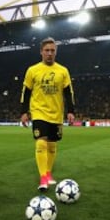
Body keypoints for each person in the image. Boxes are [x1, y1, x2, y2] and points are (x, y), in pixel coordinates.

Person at [20, 37, 75, 192]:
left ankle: (48, 173)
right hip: (38, 111)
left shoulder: (63, 71)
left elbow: (68, 92)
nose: (50, 53)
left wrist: (71, 111)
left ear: (55, 52)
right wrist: (24, 111)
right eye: (47, 50)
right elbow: (26, 92)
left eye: (52, 50)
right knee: (41, 142)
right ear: (41, 52)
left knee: (52, 145)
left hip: (56, 113)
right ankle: (43, 177)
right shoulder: (32, 70)